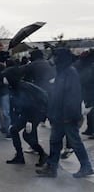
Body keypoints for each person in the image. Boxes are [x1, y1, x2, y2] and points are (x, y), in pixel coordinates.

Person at [36, 48, 94, 178]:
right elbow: (58, 94)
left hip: (67, 116)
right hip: (58, 115)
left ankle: (86, 167)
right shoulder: (62, 72)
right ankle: (51, 167)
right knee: (54, 141)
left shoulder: (70, 72)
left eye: (56, 56)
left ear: (62, 58)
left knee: (75, 142)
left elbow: (73, 96)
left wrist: (69, 116)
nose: (54, 59)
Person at [2, 66, 48, 168]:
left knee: (27, 136)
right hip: (27, 113)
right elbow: (15, 106)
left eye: (6, 77)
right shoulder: (14, 87)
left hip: (35, 113)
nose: (4, 80)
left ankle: (43, 155)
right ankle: (19, 156)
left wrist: (30, 121)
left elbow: (32, 105)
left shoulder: (23, 88)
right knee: (14, 130)